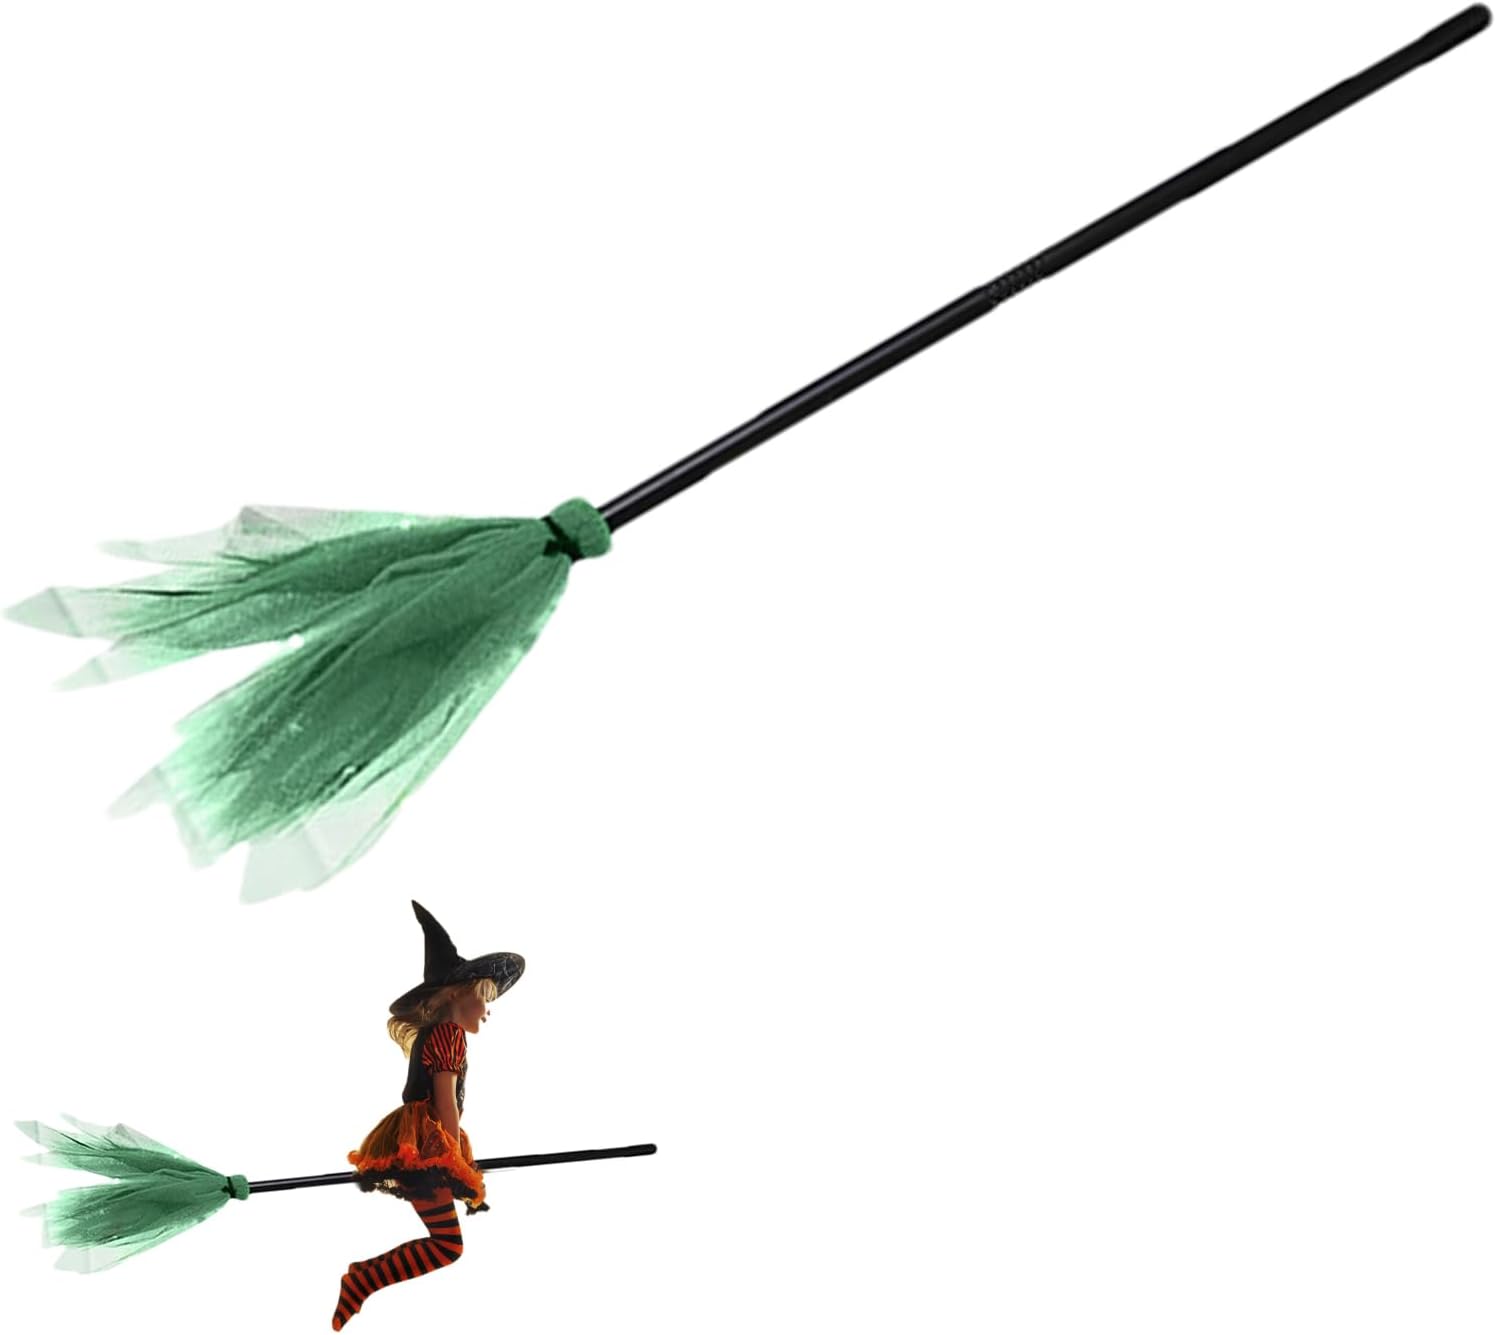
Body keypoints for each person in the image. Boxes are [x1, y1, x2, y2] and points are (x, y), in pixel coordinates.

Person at [333, 900, 524, 1329]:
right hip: (424, 1143)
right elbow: (445, 1102)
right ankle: (362, 1279)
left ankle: (362, 1278)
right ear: (456, 993)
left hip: (418, 1138)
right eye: (484, 998)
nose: (488, 1009)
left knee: (446, 1244)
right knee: (448, 1246)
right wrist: (453, 1159)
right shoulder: (450, 1035)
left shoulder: (436, 1033)